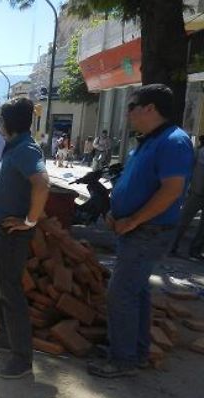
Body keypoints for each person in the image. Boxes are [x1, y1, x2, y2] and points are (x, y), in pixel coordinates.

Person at [88, 84, 194, 378]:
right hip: (133, 228)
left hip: (148, 230)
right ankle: (135, 349)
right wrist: (114, 211)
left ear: (150, 108)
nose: (128, 112)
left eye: (132, 106)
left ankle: (123, 359)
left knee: (121, 293)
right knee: (137, 291)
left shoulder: (174, 141)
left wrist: (133, 220)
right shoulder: (149, 140)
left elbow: (172, 191)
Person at [0, 97, 49, 379]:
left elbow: (42, 185)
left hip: (14, 233)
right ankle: (4, 338)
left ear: (9, 123)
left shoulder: (27, 149)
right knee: (0, 286)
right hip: (1, 228)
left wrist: (30, 220)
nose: (0, 125)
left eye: (2, 121)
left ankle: (21, 358)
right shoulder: (14, 146)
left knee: (11, 291)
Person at [170, 135, 204, 260]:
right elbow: (188, 170)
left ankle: (195, 251)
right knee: (183, 221)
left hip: (196, 190)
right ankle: (171, 246)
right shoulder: (199, 152)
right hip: (196, 191)